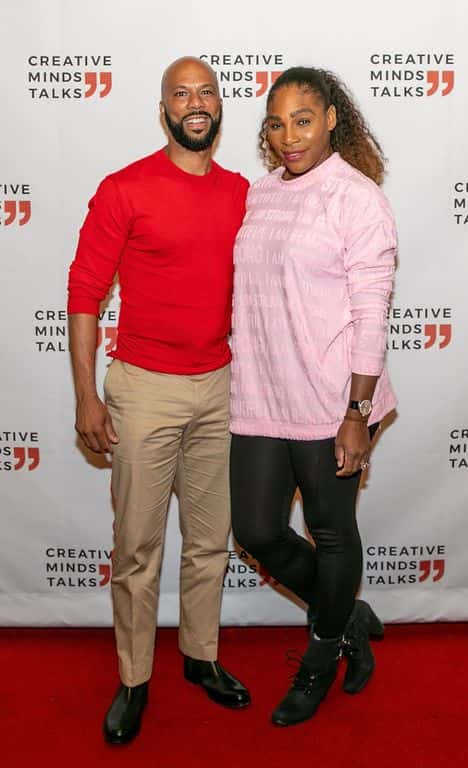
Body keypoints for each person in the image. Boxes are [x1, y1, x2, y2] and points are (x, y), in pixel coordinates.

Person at [67, 56, 250, 745]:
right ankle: (134, 677)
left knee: (209, 542)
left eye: (207, 92)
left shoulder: (242, 193)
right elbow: (85, 293)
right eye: (182, 93)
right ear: (164, 108)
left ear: (220, 106)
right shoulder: (125, 188)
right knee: (137, 547)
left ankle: (200, 657)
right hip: (142, 390)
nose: (195, 103)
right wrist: (87, 396)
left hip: (221, 387)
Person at [230, 66, 397, 726]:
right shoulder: (262, 195)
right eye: (276, 122)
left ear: (330, 118)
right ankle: (348, 614)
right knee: (258, 531)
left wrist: (354, 414)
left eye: (303, 119)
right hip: (263, 393)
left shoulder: (356, 199)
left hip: (333, 400)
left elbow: (372, 312)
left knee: (331, 534)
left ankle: (324, 652)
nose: (288, 134)